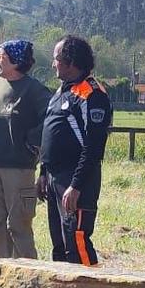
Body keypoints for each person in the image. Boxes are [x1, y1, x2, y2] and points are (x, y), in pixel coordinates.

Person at [37, 34, 114, 266]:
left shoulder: (92, 94)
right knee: (60, 244)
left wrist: (76, 186)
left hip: (76, 180)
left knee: (76, 241)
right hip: (54, 177)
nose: (53, 64)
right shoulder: (61, 91)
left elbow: (94, 147)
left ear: (71, 61)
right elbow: (50, 134)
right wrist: (43, 173)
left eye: (57, 59)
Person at [0, 38, 49, 260]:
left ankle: (28, 277)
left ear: (16, 62)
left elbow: (51, 116)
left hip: (19, 169)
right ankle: (0, 271)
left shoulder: (34, 90)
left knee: (18, 225)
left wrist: (32, 141)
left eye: (2, 59)